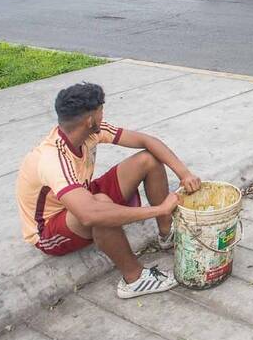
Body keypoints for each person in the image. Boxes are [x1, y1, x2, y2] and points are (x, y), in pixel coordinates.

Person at [15, 82, 202, 298]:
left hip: (81, 195)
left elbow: (146, 141)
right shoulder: (53, 159)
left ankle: (166, 234)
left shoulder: (89, 133)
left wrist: (184, 174)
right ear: (90, 120)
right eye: (101, 112)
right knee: (100, 207)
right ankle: (134, 279)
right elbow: (89, 214)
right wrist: (159, 209)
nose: (103, 116)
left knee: (148, 159)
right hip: (49, 229)